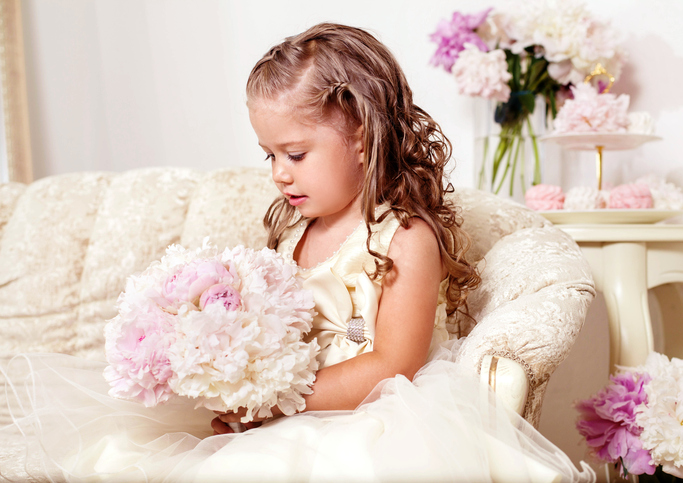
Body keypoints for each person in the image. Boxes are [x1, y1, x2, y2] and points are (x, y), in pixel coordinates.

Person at [1, 23, 594, 482]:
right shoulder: (293, 229)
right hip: (286, 405)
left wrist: (276, 404)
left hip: (370, 417)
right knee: (129, 451)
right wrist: (230, 378)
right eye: (270, 156)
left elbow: (394, 365)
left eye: (296, 153)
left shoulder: (404, 235)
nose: (281, 174)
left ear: (361, 134)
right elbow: (279, 337)